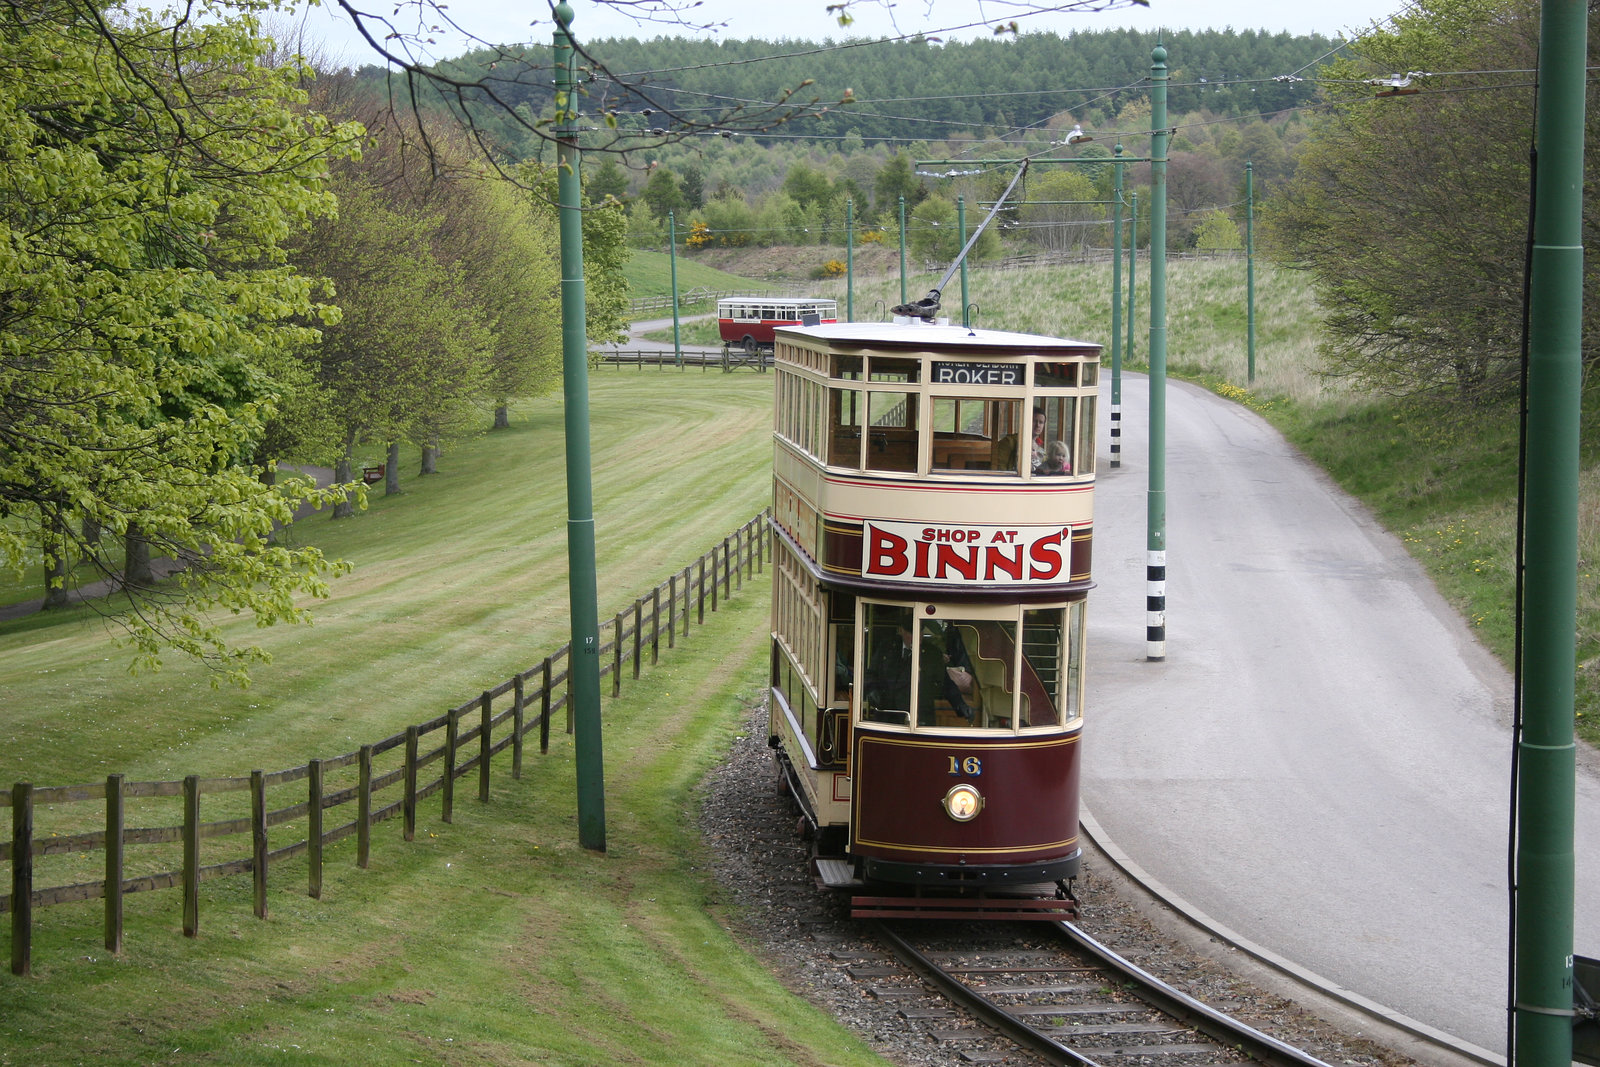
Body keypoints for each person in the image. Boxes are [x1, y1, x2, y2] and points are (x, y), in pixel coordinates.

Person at [992, 408, 1046, 474]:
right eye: (1034, 421)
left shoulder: (1040, 447)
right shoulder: (1009, 442)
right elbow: (999, 469)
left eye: (1041, 422)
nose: (1038, 425)